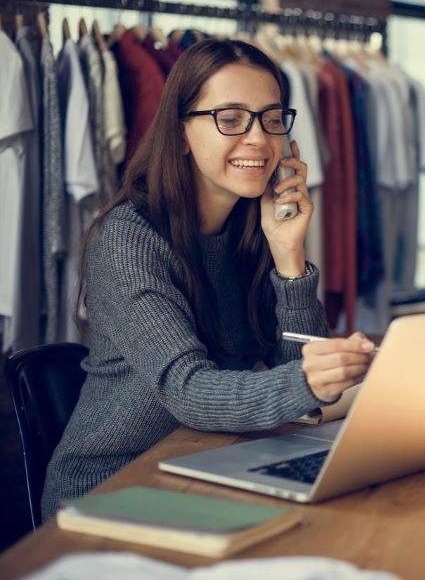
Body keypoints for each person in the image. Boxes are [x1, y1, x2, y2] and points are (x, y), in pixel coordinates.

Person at [41, 38, 376, 520]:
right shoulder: (129, 240)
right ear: (180, 132)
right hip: (109, 489)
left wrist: (289, 255)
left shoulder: (254, 226)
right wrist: (307, 380)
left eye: (272, 118)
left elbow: (297, 371)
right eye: (231, 119)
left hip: (207, 463)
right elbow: (189, 391)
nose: (259, 139)